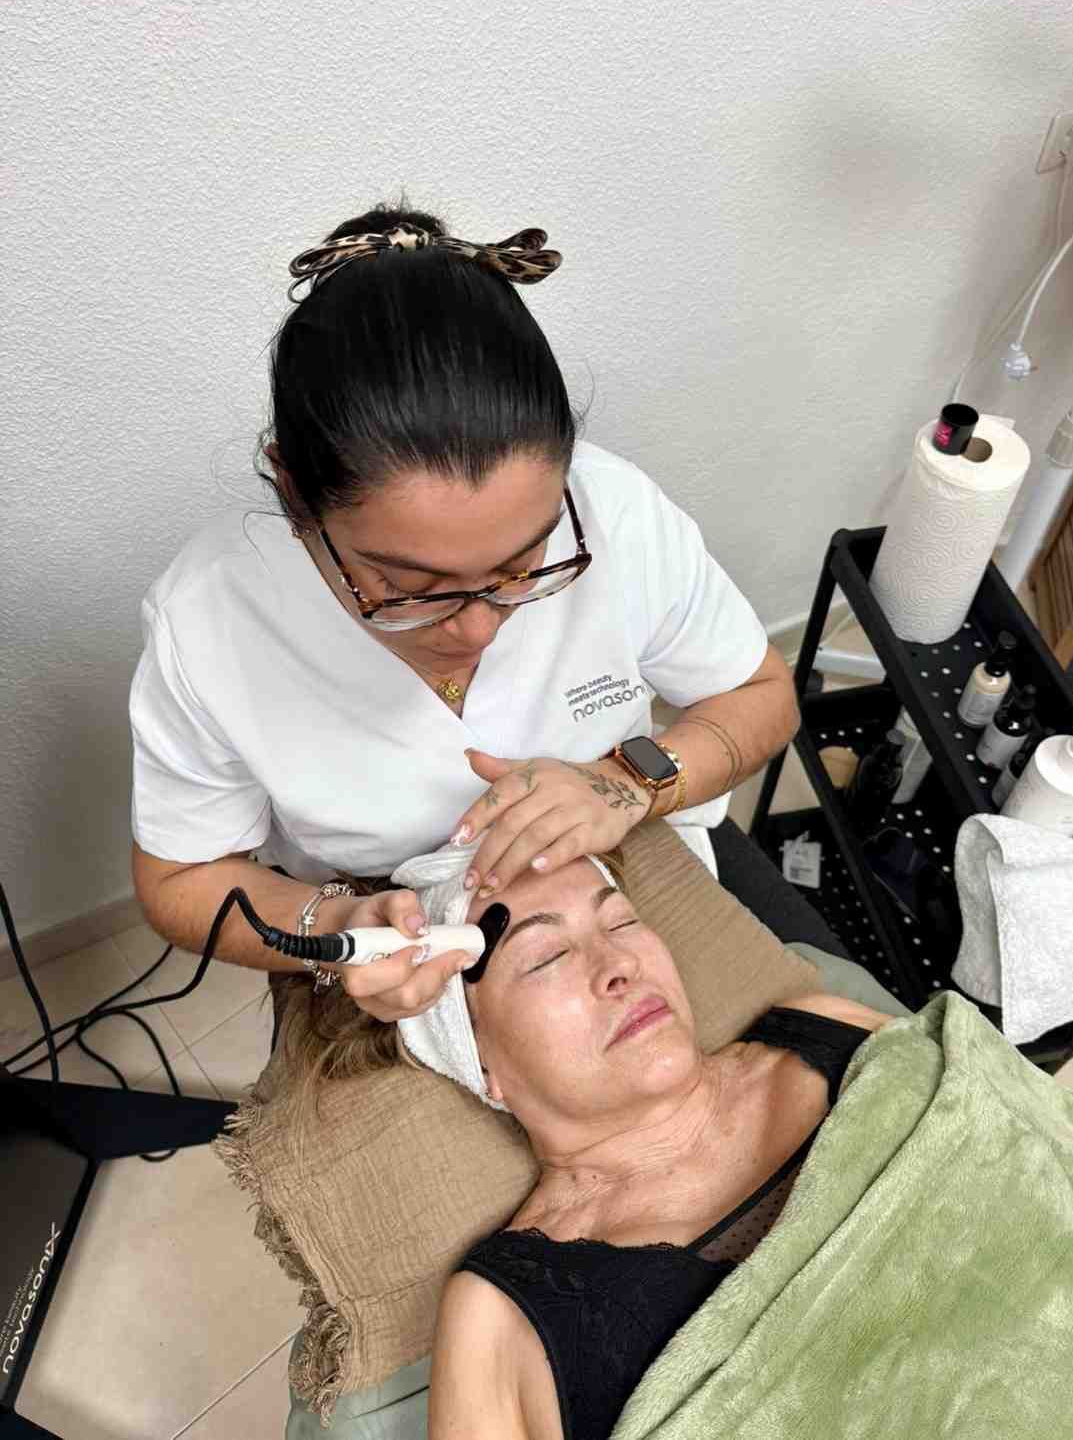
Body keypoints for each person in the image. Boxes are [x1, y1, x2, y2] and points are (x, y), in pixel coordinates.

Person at [129, 198, 822, 1028]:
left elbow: (760, 695)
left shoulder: (616, 514)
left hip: (633, 854)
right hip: (389, 928)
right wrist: (334, 925)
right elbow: (180, 880)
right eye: (410, 587)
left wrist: (627, 780)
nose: (478, 627)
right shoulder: (209, 623)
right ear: (293, 492)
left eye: (523, 565)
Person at [412, 849, 895, 1440]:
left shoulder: (829, 1028)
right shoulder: (496, 1316)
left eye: (621, 921)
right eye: (547, 957)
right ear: (480, 1060)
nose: (619, 964)